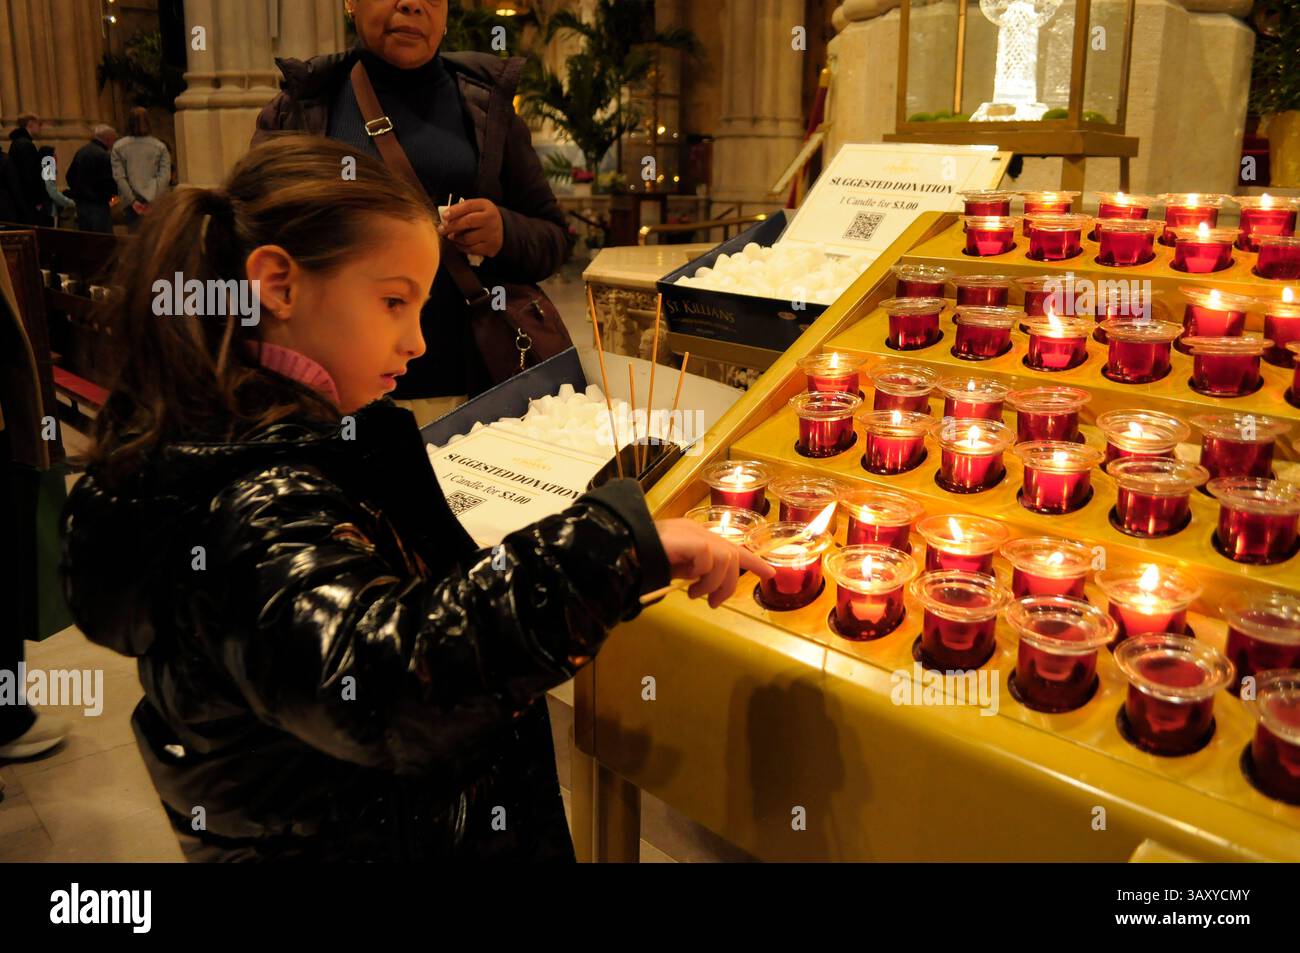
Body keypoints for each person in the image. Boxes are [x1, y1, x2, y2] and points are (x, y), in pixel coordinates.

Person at [60, 137, 772, 861]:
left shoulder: (285, 445)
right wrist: (612, 545)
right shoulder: (251, 501)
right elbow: (390, 677)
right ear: (278, 285)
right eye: (393, 301)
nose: (416, 342)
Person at [252, 0, 573, 423]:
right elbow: (252, 242)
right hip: (335, 400)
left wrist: (504, 231)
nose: (411, 4)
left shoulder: (486, 106)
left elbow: (555, 239)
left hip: (474, 388)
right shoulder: (300, 108)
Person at [111, 107, 171, 232]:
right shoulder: (160, 146)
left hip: (131, 205)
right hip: (155, 201)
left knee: (134, 242)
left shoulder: (118, 147)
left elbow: (119, 177)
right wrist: (153, 200)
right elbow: (165, 176)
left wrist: (133, 201)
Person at [66, 125, 118, 233]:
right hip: (99, 205)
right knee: (102, 241)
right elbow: (109, 182)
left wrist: (78, 193)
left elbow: (70, 176)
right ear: (107, 139)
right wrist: (112, 197)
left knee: (86, 240)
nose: (113, 144)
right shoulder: (104, 156)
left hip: (82, 205)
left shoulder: (81, 152)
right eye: (114, 140)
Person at [3, 113, 48, 226]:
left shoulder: (18, 143)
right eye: (39, 124)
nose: (41, 128)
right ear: (30, 124)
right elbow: (30, 176)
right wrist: (38, 202)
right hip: (29, 203)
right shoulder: (25, 145)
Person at [38, 146, 76, 227]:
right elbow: (52, 193)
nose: (56, 158)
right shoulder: (48, 170)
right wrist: (70, 203)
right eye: (54, 155)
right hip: (48, 211)